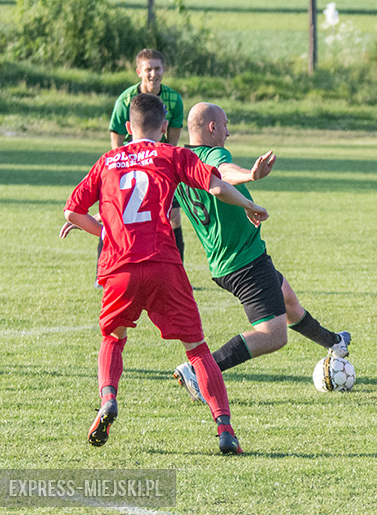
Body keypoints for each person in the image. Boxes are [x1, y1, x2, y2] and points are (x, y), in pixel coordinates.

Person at [61, 93, 268, 453]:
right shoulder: (172, 154)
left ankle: (108, 398)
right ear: (164, 129)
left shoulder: (108, 160)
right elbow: (217, 185)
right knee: (197, 350)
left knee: (113, 338)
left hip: (119, 267)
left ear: (128, 127)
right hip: (163, 263)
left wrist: (106, 231)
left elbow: (72, 213)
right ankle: (225, 429)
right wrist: (250, 203)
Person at [170, 103, 351, 404]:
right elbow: (224, 174)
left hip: (225, 262)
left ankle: (334, 343)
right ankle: (199, 370)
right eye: (225, 125)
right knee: (274, 334)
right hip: (244, 260)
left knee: (288, 300)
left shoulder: (179, 162)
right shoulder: (213, 155)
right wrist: (251, 175)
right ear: (212, 128)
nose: (228, 132)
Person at [107, 49, 186, 267]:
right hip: (130, 168)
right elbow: (116, 139)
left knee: (174, 218)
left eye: (157, 68)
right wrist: (120, 169)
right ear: (139, 72)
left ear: (164, 70)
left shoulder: (174, 100)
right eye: (148, 69)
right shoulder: (125, 100)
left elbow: (172, 143)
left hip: (159, 167)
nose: (153, 74)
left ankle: (176, 268)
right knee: (114, 214)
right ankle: (103, 269)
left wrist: (166, 169)